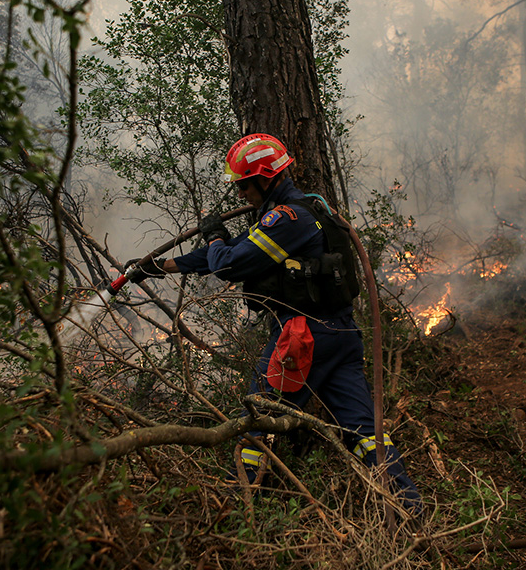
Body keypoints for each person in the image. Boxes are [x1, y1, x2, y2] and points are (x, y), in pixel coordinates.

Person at [127, 133, 422, 514]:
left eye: (243, 185)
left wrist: (216, 234)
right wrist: (158, 267)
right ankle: (409, 506)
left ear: (266, 178)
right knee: (363, 432)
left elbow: (229, 264)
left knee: (257, 421)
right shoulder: (307, 208)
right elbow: (230, 254)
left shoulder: (288, 219)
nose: (239, 194)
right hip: (341, 336)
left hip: (303, 340)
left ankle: (243, 513)